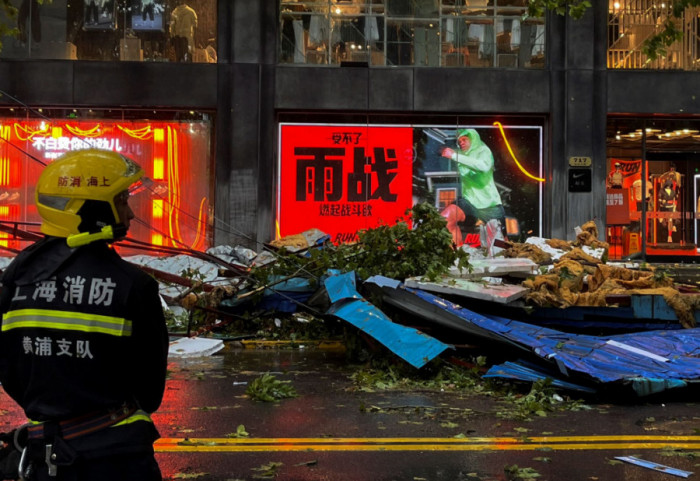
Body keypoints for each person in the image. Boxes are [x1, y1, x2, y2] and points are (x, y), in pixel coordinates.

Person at [0, 149, 169, 480]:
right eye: (122, 201)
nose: (131, 214)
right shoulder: (134, 286)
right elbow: (150, 394)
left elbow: (12, 375)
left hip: (47, 460)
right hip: (120, 460)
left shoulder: (14, 281)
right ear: (92, 209)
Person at [440, 128, 506, 239]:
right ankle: (458, 254)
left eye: (464, 139)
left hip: (490, 206)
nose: (461, 143)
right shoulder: (461, 155)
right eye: (459, 141)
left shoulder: (483, 151)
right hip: (469, 202)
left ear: (473, 139)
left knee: (500, 246)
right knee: (445, 219)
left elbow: (483, 167)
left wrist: (454, 156)